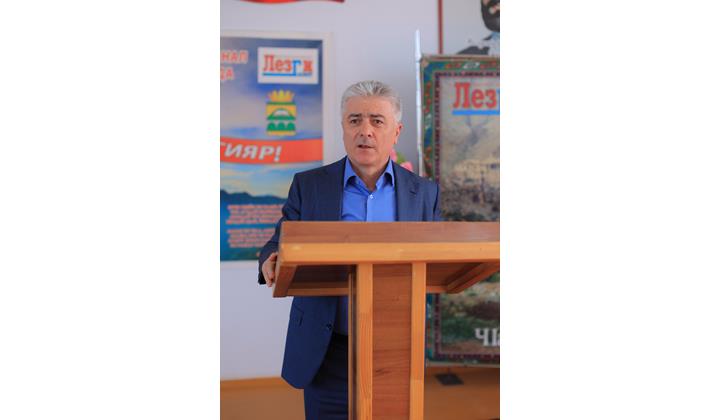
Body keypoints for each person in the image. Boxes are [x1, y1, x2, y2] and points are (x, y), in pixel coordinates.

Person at [258, 80, 441, 420]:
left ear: (396, 131)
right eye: (355, 120)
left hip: (395, 346)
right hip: (326, 347)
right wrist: (270, 259)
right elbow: (279, 241)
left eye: (377, 121)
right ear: (343, 128)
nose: (365, 131)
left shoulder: (424, 193)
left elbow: (439, 256)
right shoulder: (310, 185)